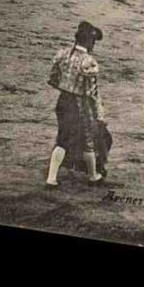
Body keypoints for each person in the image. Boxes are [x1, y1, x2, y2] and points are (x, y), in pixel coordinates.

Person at [45, 21, 110, 187]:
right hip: (79, 105)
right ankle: (89, 176)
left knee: (66, 138)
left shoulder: (62, 55)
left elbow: (53, 80)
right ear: (88, 41)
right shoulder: (88, 62)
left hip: (62, 101)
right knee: (84, 138)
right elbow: (92, 94)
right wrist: (99, 114)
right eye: (93, 42)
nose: (93, 45)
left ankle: (55, 178)